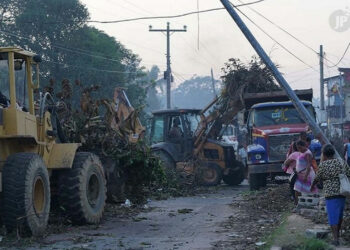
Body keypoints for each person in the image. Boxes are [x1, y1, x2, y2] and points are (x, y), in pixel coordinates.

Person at [311, 144, 350, 246]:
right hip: (342, 192)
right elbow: (349, 173)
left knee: (333, 217)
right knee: (340, 215)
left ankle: (335, 239)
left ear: (324, 154)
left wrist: (312, 186)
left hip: (330, 194)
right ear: (333, 153)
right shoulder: (341, 162)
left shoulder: (323, 165)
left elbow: (317, 178)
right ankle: (338, 235)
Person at [293, 140, 318, 205]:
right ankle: (298, 204)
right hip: (300, 174)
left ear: (304, 146)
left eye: (300, 147)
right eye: (298, 148)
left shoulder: (308, 153)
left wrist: (306, 176)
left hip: (307, 174)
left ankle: (309, 204)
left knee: (309, 191)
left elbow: (308, 166)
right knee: (296, 189)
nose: (299, 149)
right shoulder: (300, 152)